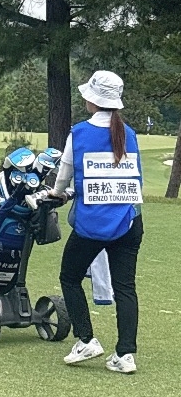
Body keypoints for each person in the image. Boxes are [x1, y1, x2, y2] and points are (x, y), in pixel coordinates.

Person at [50, 70, 143, 373]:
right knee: (125, 287)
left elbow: (63, 178)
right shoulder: (129, 133)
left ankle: (86, 339)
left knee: (69, 277)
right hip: (128, 221)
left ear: (92, 100)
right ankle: (125, 355)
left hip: (92, 224)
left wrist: (58, 194)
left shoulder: (78, 133)